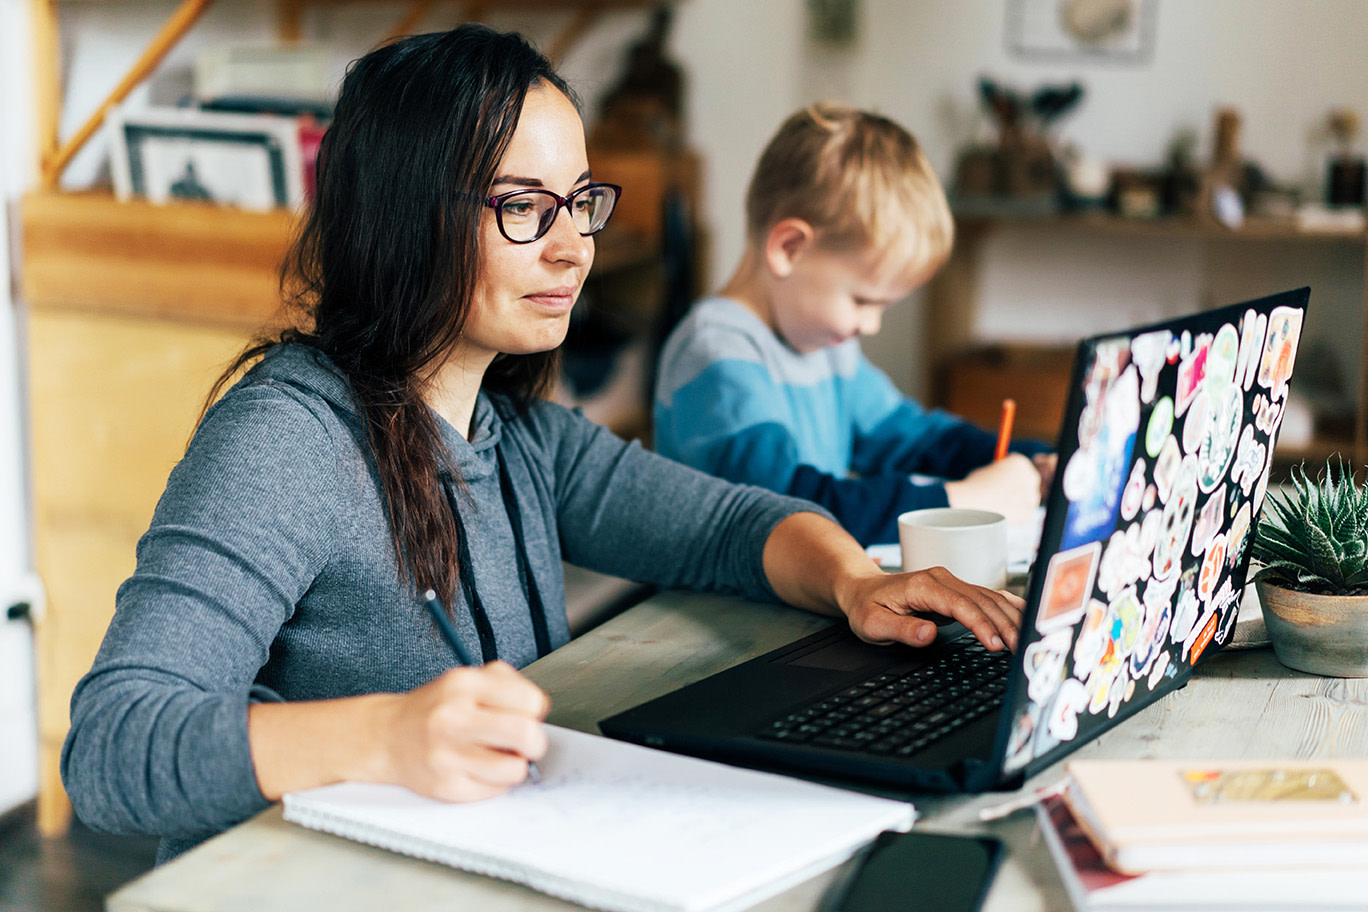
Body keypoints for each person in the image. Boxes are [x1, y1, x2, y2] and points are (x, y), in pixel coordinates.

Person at [60, 27, 1023, 864]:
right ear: (408, 216)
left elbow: (727, 525)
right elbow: (110, 748)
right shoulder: (285, 442)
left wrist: (854, 581)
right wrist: (386, 734)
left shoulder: (518, 436)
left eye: (578, 203)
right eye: (525, 207)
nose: (573, 248)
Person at [653, 103, 1056, 547]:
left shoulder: (825, 345)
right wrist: (959, 500)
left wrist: (1033, 460)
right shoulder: (717, 354)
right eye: (863, 299)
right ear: (790, 248)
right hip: (712, 609)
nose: (872, 325)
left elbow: (913, 438)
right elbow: (791, 509)